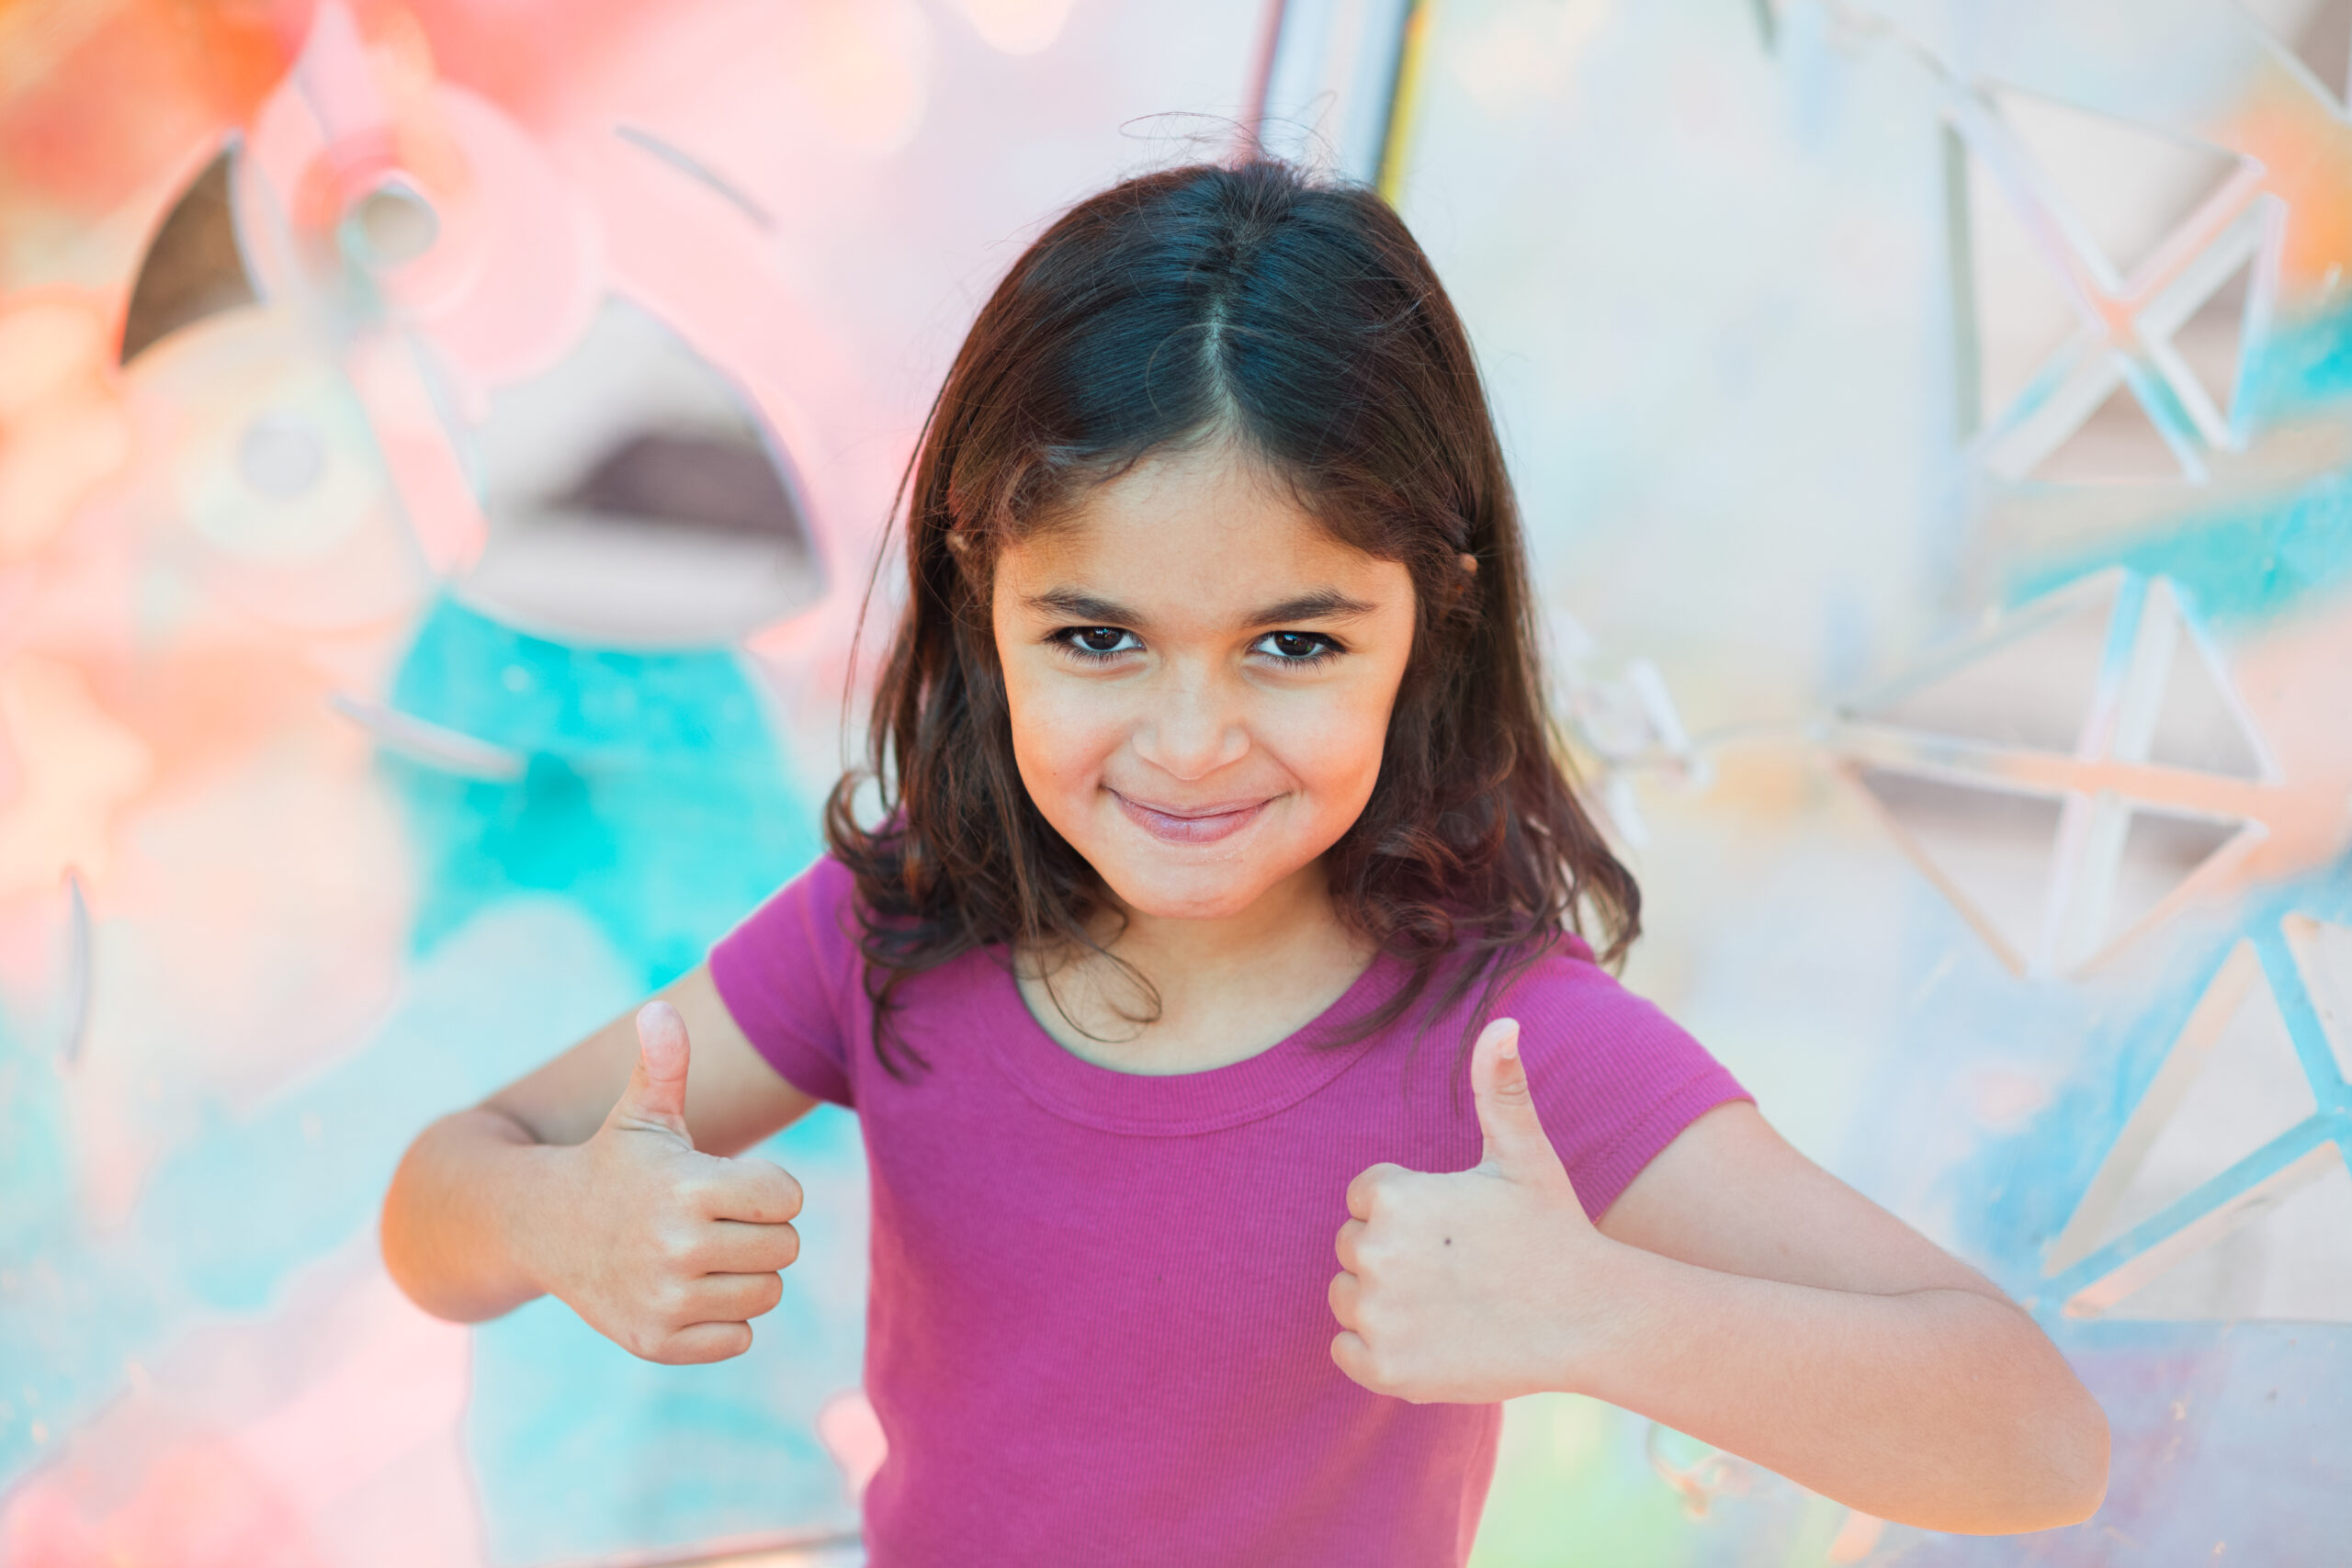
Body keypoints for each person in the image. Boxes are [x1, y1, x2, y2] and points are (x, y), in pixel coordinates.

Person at [380, 159, 2108, 1563]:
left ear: (1432, 623)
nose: (1192, 744)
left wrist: (1602, 1317)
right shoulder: (895, 928)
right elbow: (440, 1203)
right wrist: (559, 1218)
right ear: (981, 608)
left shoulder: (1501, 1048)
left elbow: (2034, 1440)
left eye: (1293, 645)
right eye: (1098, 639)